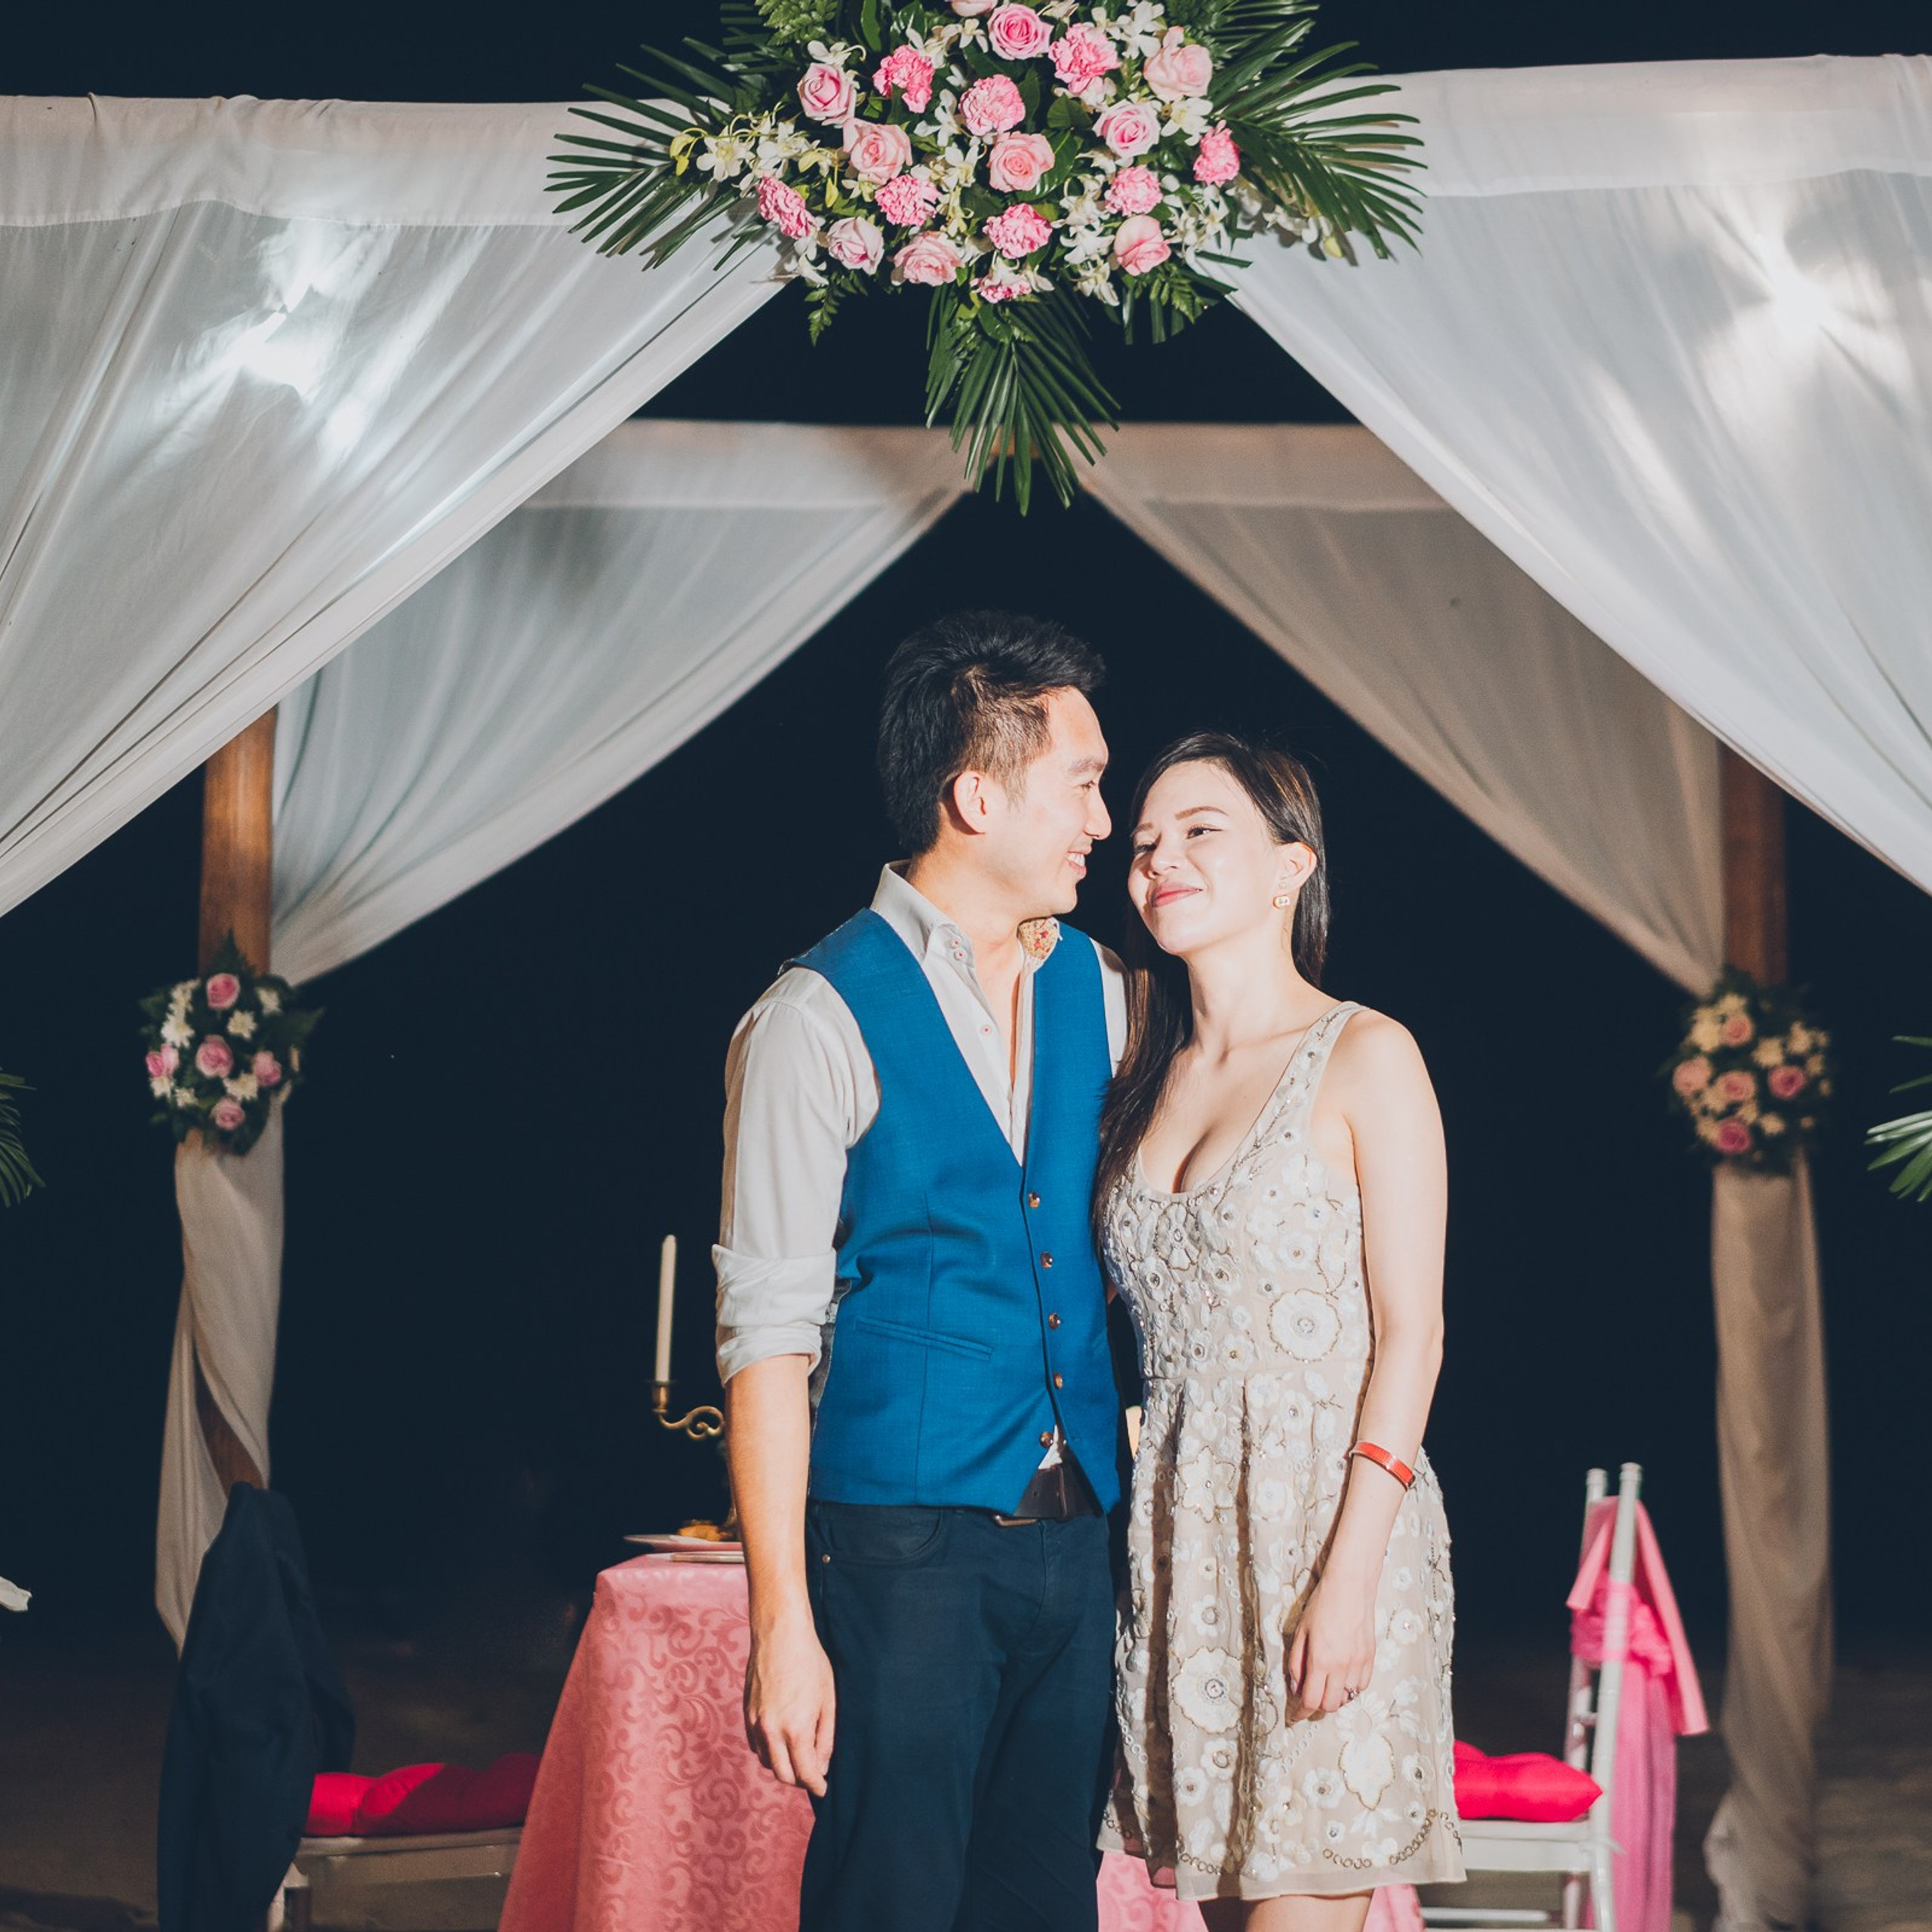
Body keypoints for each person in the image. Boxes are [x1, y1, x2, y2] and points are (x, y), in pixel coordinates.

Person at [714, 611, 1128, 1932]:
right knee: (889, 1906)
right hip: (901, 1554)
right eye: (1084, 782)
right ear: (975, 794)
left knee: (1042, 1908)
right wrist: (783, 1618)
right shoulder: (814, 1016)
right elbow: (768, 1334)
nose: (1104, 823)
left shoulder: (1108, 994)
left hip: (1080, 1554)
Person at [1096, 731, 1463, 1927]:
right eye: (1147, 842)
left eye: (1203, 831)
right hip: (1182, 1545)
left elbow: (1415, 1335)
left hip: (1327, 1531)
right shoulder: (1140, 1068)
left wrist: (1350, 1576)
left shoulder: (1367, 1053)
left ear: (1288, 868)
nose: (1161, 860)